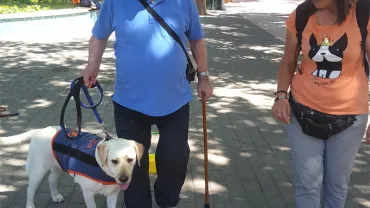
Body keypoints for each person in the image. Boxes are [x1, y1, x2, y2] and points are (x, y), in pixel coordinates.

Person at [79, 0, 213, 207]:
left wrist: (203, 76)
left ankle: (166, 202)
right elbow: (99, 35)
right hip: (129, 102)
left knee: (174, 159)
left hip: (175, 100)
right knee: (131, 165)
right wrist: (92, 66)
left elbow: (196, 39)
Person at [271, 0, 370, 207]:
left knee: (337, 187)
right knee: (307, 185)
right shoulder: (301, 15)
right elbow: (288, 60)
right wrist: (281, 95)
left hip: (351, 117)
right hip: (303, 111)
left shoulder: (363, 13)